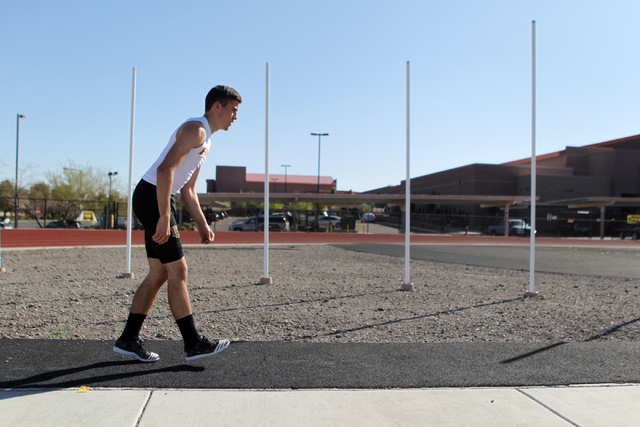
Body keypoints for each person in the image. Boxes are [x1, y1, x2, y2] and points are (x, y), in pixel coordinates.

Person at [113, 85, 242, 362]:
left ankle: (127, 339)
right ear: (216, 107)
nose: (235, 116)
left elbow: (188, 189)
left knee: (159, 274)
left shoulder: (206, 140)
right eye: (233, 110)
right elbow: (164, 170)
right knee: (179, 271)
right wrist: (162, 217)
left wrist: (202, 224)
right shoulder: (195, 129)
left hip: (158, 196)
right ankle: (193, 343)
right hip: (152, 195)